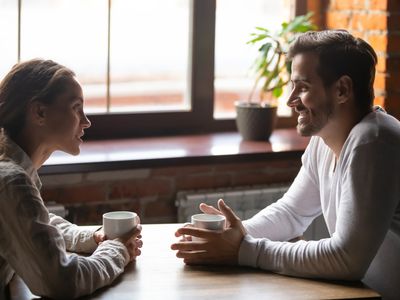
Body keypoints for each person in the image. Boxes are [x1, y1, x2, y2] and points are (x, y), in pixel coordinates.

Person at [171, 30, 400, 299]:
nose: (290, 100)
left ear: (342, 90)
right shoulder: (324, 140)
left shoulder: (373, 140)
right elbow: (292, 212)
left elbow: (347, 259)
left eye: (302, 87)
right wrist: (231, 235)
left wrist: (243, 250)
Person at [0, 59, 143, 299]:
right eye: (76, 107)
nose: (86, 121)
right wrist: (117, 250)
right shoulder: (11, 182)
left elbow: (31, 221)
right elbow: (63, 281)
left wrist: (91, 238)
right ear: (40, 112)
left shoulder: (13, 171)